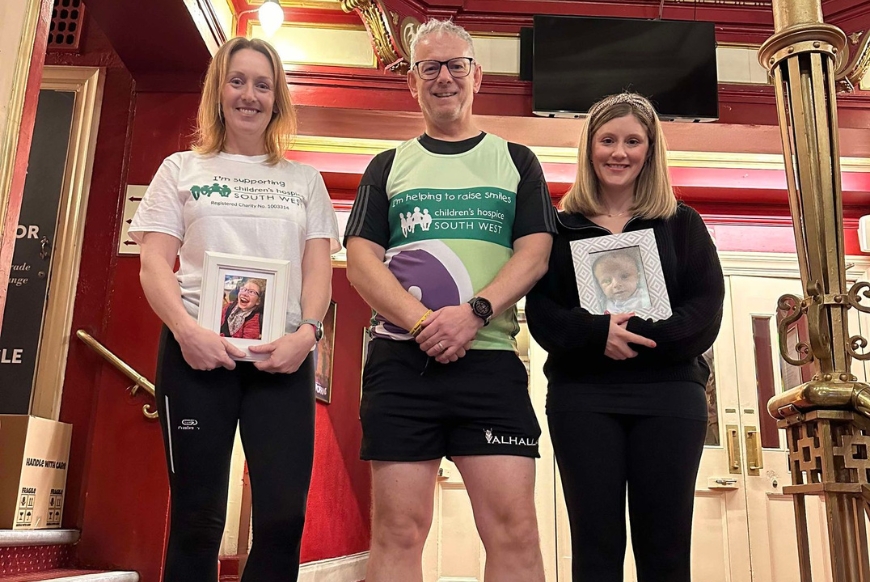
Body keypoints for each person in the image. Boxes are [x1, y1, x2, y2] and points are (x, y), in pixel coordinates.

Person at [344, 18, 556, 582]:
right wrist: (422, 324)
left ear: (476, 75)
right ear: (412, 81)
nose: (444, 77)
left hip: (489, 365)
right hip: (400, 367)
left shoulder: (517, 161)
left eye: (455, 65)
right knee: (397, 535)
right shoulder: (387, 167)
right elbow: (361, 260)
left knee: (514, 533)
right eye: (429, 66)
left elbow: (535, 253)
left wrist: (475, 313)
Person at [128, 36, 339, 582]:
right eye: (238, 81)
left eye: (263, 84)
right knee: (197, 519)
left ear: (278, 97)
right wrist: (185, 331)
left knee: (283, 517)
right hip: (196, 358)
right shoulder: (180, 169)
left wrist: (307, 335)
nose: (250, 95)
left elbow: (318, 271)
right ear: (218, 90)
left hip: (284, 362)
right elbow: (154, 266)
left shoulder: (305, 181)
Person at [525, 92, 725, 582]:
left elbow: (706, 309)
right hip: (583, 398)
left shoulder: (683, 223)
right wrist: (596, 334)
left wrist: (635, 335)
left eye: (633, 141)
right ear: (589, 148)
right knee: (595, 547)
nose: (620, 152)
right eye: (607, 139)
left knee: (667, 547)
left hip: (671, 396)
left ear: (650, 150)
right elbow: (542, 311)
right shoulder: (557, 227)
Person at [592, 249, 650, 313]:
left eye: (624, 276)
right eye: (607, 281)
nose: (616, 284)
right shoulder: (602, 303)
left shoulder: (644, 298)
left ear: (638, 278)